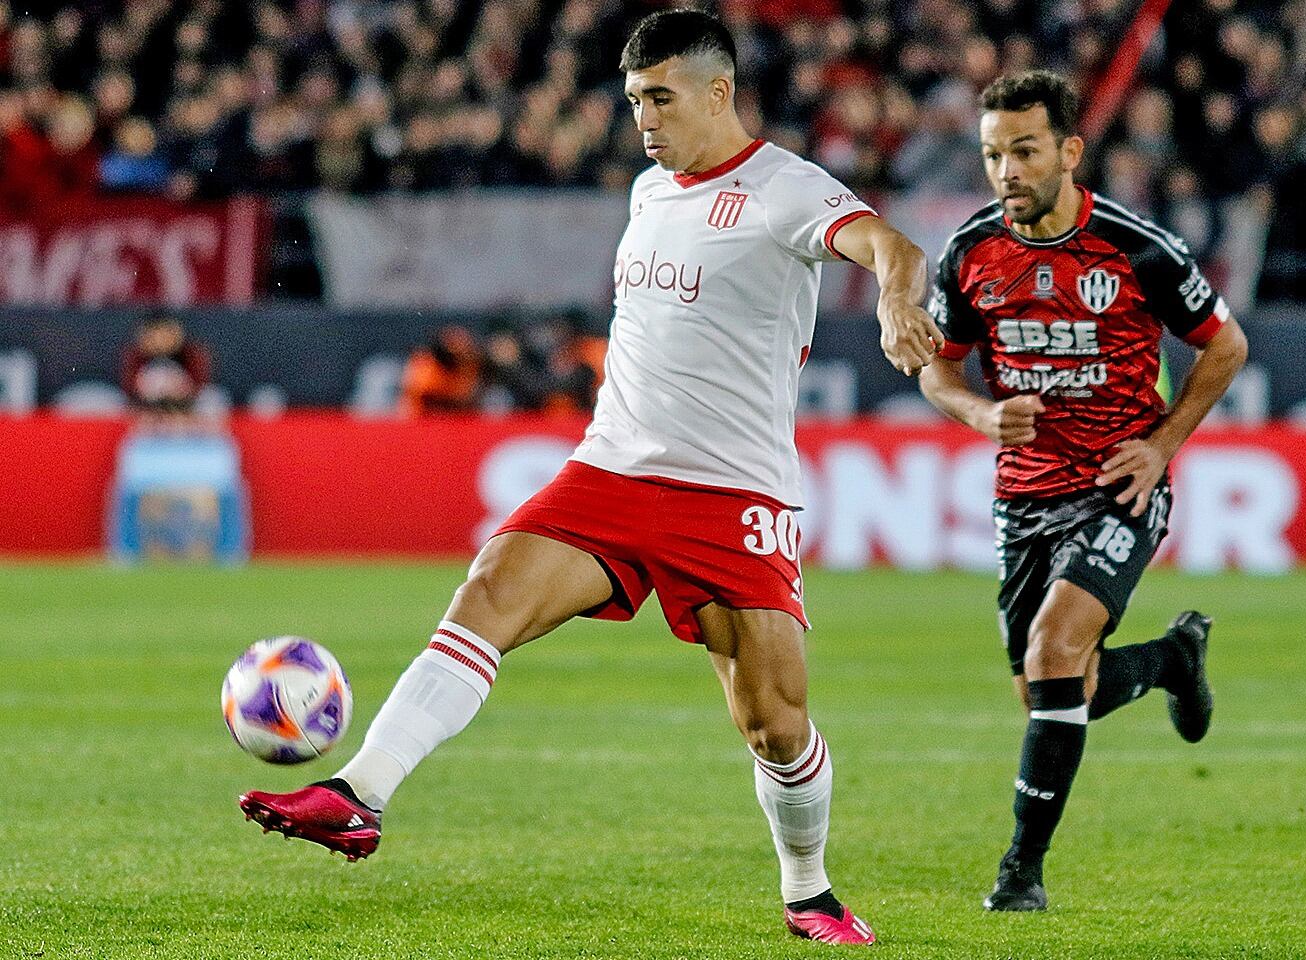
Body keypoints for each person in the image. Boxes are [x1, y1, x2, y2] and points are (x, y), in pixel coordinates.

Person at [240, 10, 940, 946]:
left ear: (719, 93)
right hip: (612, 468)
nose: (644, 119)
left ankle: (809, 892)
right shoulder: (649, 192)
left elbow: (895, 248)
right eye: (635, 100)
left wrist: (895, 301)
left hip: (732, 491)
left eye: (662, 98)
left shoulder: (785, 189)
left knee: (774, 725)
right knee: (489, 591)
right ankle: (358, 792)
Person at [917, 70, 1249, 912]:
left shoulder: (1139, 248)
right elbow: (937, 370)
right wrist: (980, 414)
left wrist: (1161, 446)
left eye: (1024, 152)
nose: (1007, 172)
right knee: (1052, 691)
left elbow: (1226, 347)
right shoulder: (970, 252)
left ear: (1070, 151)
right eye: (993, 155)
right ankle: (1171, 660)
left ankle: (1020, 871)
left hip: (1117, 484)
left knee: (1054, 652)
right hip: (1024, 494)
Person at [120, 311, 211, 415]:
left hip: (188, 407)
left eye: (165, 335)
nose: (159, 341)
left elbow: (199, 385)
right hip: (144, 408)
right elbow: (130, 388)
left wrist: (177, 395)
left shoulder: (191, 353)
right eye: (154, 335)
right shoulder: (136, 355)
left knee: (212, 398)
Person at [397, 325, 485, 416]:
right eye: (454, 356)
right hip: (424, 414)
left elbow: (466, 396)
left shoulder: (470, 365)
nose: (458, 359)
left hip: (457, 414)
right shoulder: (426, 364)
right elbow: (416, 394)